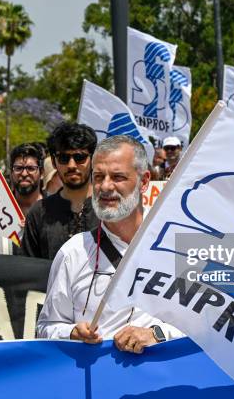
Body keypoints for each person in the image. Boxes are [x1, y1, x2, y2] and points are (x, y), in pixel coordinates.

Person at [37, 135, 182, 354]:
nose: (105, 186)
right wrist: (72, 333)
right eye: (98, 177)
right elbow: (45, 329)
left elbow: (216, 325)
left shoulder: (180, 244)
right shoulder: (73, 252)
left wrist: (158, 334)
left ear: (143, 181)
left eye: (117, 177)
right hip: (98, 385)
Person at [20, 123, 99, 259]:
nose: (71, 165)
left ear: (92, 159)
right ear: (55, 162)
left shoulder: (110, 209)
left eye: (79, 157)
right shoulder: (39, 213)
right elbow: (28, 269)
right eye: (64, 158)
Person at [9, 143, 44, 216]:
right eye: (18, 168)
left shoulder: (55, 207)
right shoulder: (0, 207)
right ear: (11, 172)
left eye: (31, 168)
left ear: (42, 173)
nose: (24, 174)